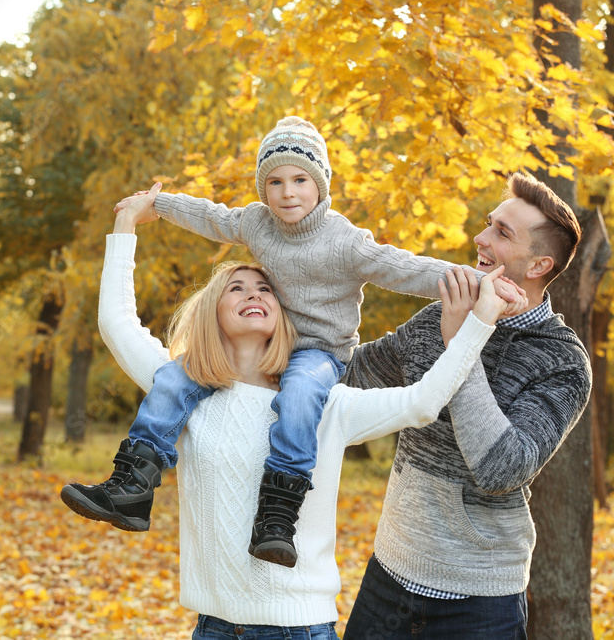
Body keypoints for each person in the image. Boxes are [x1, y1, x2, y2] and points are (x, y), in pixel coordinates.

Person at [63, 195, 522, 638]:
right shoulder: (180, 392)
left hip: (299, 629)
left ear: (284, 315)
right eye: (236, 288)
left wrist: (477, 323)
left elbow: (422, 402)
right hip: (213, 628)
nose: (253, 294)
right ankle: (130, 484)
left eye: (265, 288)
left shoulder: (325, 405)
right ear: (212, 312)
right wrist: (126, 224)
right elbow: (117, 323)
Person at [63, 117, 498, 567]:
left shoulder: (346, 242)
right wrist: (158, 204)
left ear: (321, 185)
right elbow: (214, 217)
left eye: (300, 180)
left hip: (320, 352)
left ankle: (278, 512)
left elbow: (404, 267)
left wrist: (478, 281)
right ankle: (133, 484)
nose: (287, 193)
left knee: (301, 394)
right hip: (275, 343)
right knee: (176, 376)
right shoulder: (257, 224)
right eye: (274, 182)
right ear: (262, 188)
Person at [340, 171, 592, 639]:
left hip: (479, 606)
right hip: (387, 579)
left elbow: (501, 468)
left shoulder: (562, 361)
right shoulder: (440, 313)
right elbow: (349, 374)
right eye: (488, 223)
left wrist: (463, 340)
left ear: (537, 265)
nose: (480, 238)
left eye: (501, 232)